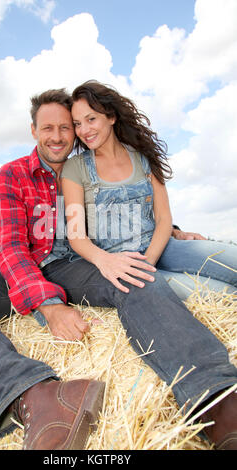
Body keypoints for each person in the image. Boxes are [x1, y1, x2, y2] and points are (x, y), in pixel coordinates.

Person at [0, 87, 236, 451]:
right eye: (48, 128)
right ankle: (34, 396)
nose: (59, 136)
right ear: (33, 130)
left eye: (67, 127)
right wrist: (48, 303)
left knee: (135, 278)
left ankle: (216, 399)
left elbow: (123, 209)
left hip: (73, 264)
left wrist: (170, 230)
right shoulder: (12, 175)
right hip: (28, 271)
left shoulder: (88, 165)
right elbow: (10, 248)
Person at [56, 80, 237, 450]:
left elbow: (162, 218)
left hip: (159, 247)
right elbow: (76, 236)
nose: (84, 130)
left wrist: (150, 262)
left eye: (91, 118)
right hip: (117, 261)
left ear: (109, 116)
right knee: (221, 293)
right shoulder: (75, 169)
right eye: (77, 123)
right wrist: (106, 261)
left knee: (224, 259)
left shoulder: (142, 158)